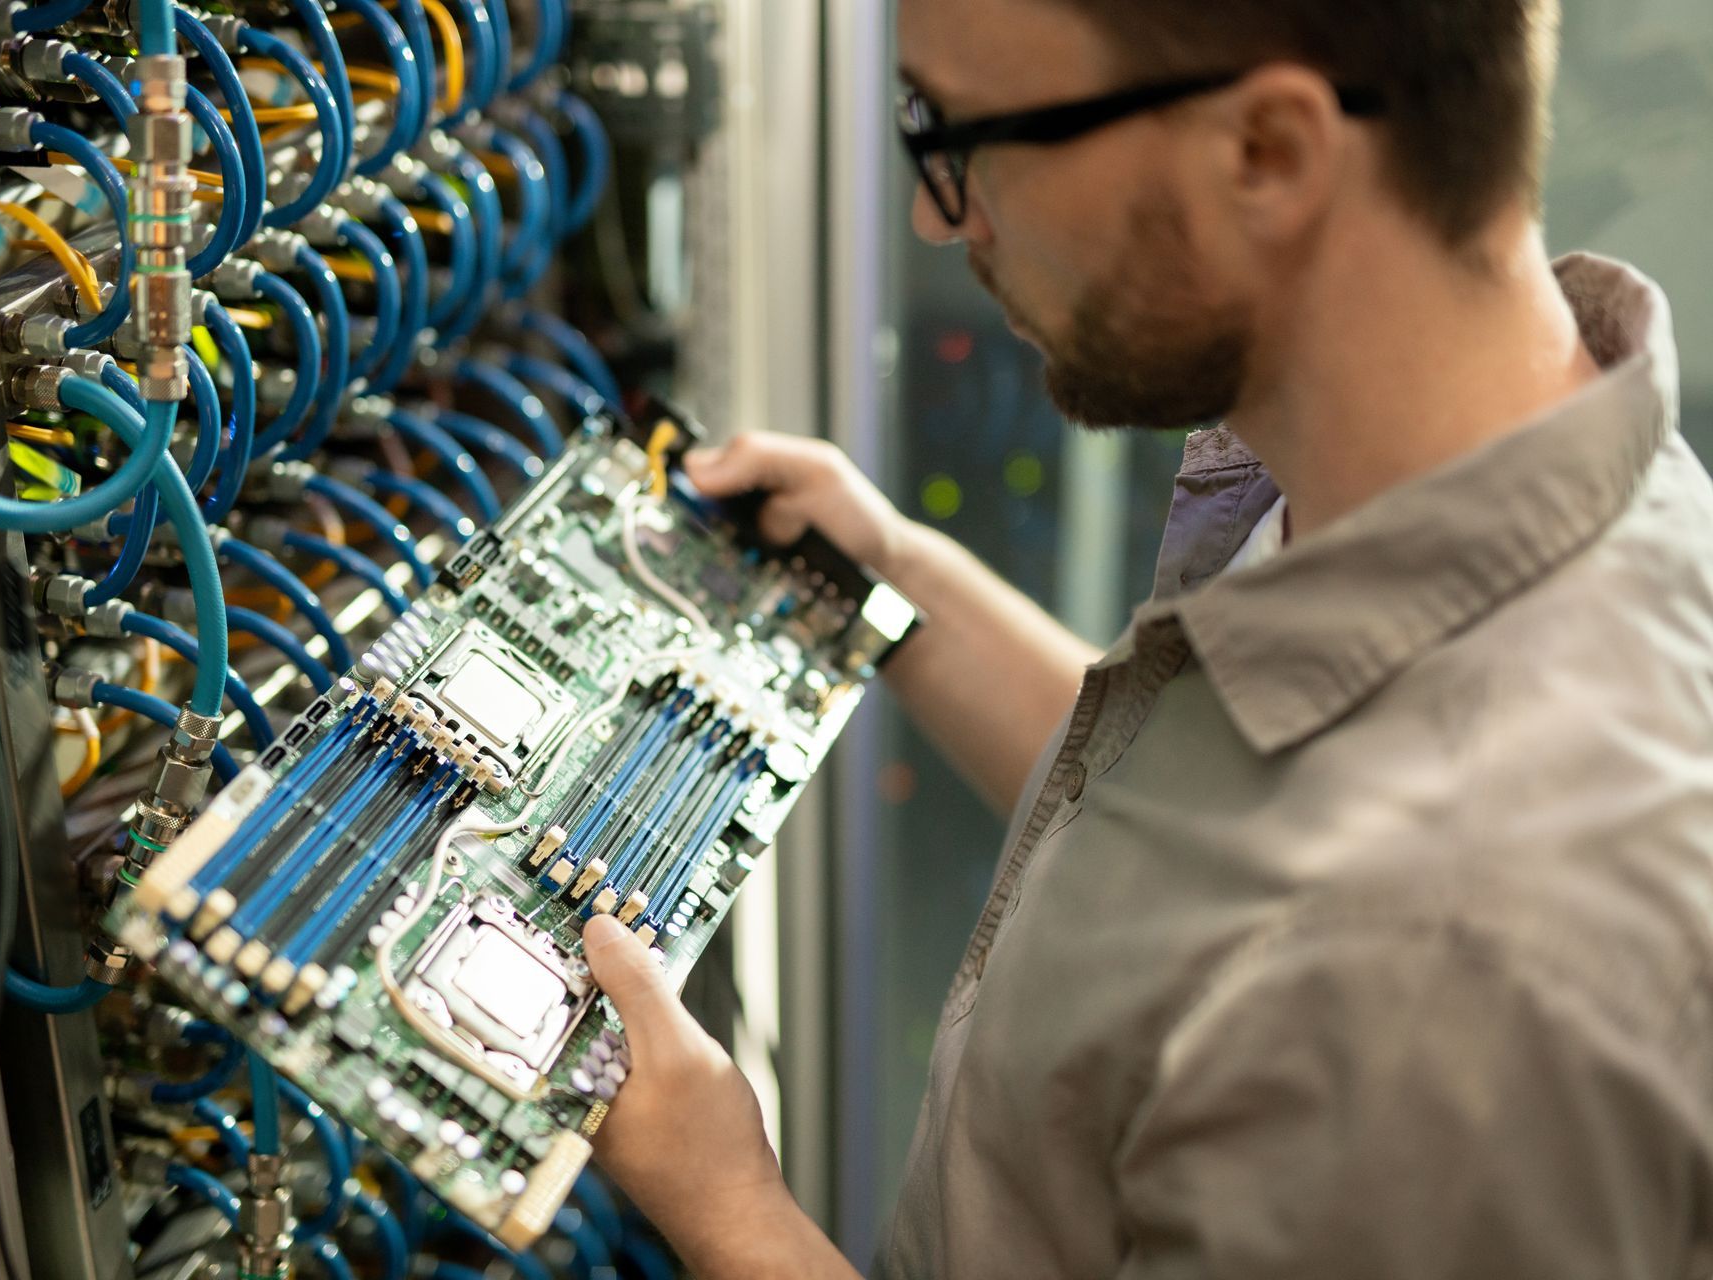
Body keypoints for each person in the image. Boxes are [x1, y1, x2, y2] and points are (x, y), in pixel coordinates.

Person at [577, 0, 1713, 1275]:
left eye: (957, 133)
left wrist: (728, 1201)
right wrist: (896, 578)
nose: (935, 218)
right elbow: (1197, 825)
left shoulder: (1445, 984)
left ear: (1268, 153)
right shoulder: (1492, 466)